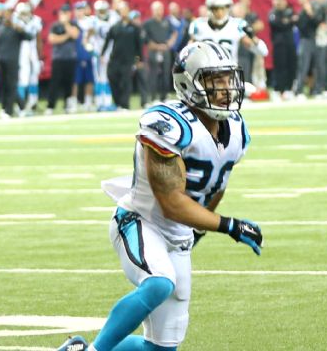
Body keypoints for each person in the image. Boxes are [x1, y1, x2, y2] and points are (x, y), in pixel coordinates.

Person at [56, 41, 261, 351]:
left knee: (160, 349)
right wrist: (229, 226)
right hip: (140, 221)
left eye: (226, 80)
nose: (224, 90)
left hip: (178, 234)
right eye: (213, 81)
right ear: (187, 84)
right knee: (159, 284)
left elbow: (215, 185)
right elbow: (172, 201)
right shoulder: (167, 124)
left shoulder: (235, 129)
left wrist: (200, 228)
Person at [188, 0, 266, 73]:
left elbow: (262, 51)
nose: (220, 12)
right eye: (216, 8)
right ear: (209, 8)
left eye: (223, 8)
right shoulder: (199, 25)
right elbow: (189, 52)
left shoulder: (237, 25)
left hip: (229, 74)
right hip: (205, 73)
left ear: (228, 8)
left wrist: (253, 37)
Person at [0, 4, 31, 119]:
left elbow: (29, 37)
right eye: (6, 13)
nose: (8, 16)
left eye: (10, 14)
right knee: (5, 85)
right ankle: (18, 107)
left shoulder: (16, 28)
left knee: (11, 86)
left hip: (12, 61)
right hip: (0, 61)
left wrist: (20, 29)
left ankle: (8, 110)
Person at [105, 10, 144, 111]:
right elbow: (108, 40)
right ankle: (117, 103)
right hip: (115, 59)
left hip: (128, 60)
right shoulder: (115, 27)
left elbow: (139, 45)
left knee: (126, 82)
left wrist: (139, 59)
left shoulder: (135, 28)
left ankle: (124, 104)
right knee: (112, 78)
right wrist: (102, 54)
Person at [47, 5, 80, 114]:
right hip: (58, 58)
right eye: (63, 13)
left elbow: (75, 35)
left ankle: (67, 105)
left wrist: (66, 24)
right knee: (54, 83)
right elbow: (52, 39)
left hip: (70, 58)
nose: (65, 15)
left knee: (69, 83)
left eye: (67, 13)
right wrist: (65, 36)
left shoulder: (73, 24)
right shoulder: (55, 26)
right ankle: (50, 106)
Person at [141, 2, 175, 106]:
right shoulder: (148, 23)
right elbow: (145, 38)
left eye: (160, 9)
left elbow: (174, 32)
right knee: (153, 74)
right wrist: (156, 46)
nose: (159, 11)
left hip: (165, 50)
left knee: (166, 73)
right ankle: (153, 97)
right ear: (152, 10)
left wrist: (169, 43)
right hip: (153, 50)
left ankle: (164, 96)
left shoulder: (166, 21)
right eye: (156, 9)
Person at [13, 3, 43, 114]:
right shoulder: (14, 21)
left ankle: (33, 102)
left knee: (34, 75)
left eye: (26, 12)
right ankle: (20, 105)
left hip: (33, 49)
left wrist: (40, 56)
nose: (25, 15)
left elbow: (39, 39)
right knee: (22, 78)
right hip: (20, 51)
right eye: (22, 13)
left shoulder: (36, 20)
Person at [267, 0, 297, 100]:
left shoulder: (289, 11)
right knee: (279, 67)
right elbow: (277, 24)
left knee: (291, 66)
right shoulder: (272, 13)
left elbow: (292, 21)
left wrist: (286, 21)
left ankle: (288, 89)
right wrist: (286, 21)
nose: (278, 2)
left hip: (290, 43)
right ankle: (278, 90)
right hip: (278, 44)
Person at [293, 0, 322, 97]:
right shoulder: (300, 13)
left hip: (315, 40)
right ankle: (299, 91)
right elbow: (302, 27)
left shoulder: (313, 9)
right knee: (303, 66)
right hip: (305, 41)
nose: (302, 1)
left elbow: (318, 21)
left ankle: (315, 90)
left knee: (316, 67)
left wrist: (310, 13)